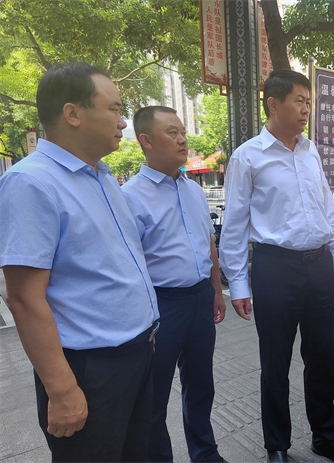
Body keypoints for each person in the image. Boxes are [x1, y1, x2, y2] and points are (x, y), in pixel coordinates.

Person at [0, 63, 159, 461]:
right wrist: (62, 389)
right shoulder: (31, 182)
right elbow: (24, 298)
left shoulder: (102, 176)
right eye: (114, 109)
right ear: (72, 113)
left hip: (136, 354)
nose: (122, 121)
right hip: (89, 370)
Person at [219, 69, 334, 463]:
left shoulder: (310, 151)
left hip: (318, 265)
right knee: (275, 362)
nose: (305, 109)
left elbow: (327, 207)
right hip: (275, 268)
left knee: (324, 358)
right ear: (273, 104)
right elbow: (235, 225)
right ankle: (277, 446)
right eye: (299, 101)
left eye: (308, 102)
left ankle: (325, 436)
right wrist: (239, 285)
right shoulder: (248, 157)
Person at [121, 106, 226, 463]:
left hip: (199, 298)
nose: (182, 139)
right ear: (146, 141)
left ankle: (205, 453)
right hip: (161, 305)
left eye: (183, 131)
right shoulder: (130, 197)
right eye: (172, 132)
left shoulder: (194, 190)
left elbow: (208, 244)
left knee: (201, 385)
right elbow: (130, 264)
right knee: (154, 394)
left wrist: (216, 290)